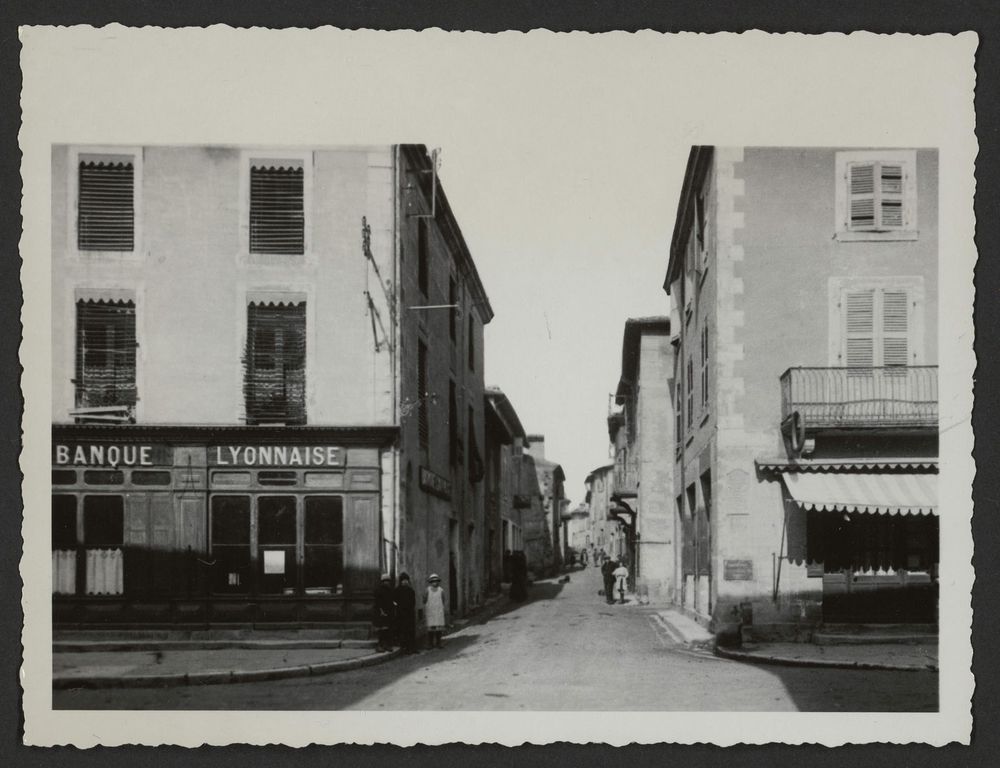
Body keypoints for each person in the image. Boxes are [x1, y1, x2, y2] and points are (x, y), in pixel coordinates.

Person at [394, 572, 417, 654]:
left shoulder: (411, 591)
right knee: (402, 630)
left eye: (406, 580)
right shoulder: (397, 590)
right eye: (403, 580)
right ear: (400, 581)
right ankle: (404, 647)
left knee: (410, 630)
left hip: (410, 613)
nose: (405, 582)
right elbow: (394, 601)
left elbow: (413, 601)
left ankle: (412, 647)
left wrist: (410, 608)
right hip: (401, 613)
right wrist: (398, 607)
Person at [373, 573, 396, 652]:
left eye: (388, 581)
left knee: (387, 629)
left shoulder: (390, 590)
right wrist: (381, 611)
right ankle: (379, 645)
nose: (387, 582)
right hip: (380, 612)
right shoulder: (378, 590)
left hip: (388, 612)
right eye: (385, 581)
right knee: (381, 630)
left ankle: (386, 645)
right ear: (382, 582)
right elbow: (377, 602)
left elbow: (391, 601)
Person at [423, 573, 447, 649]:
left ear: (438, 582)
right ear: (430, 582)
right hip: (430, 612)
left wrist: (440, 608)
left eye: (436, 581)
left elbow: (443, 600)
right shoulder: (427, 590)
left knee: (438, 629)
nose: (435, 583)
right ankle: (430, 644)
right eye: (433, 581)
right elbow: (424, 600)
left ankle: (438, 643)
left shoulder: (441, 590)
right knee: (431, 628)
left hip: (438, 612)